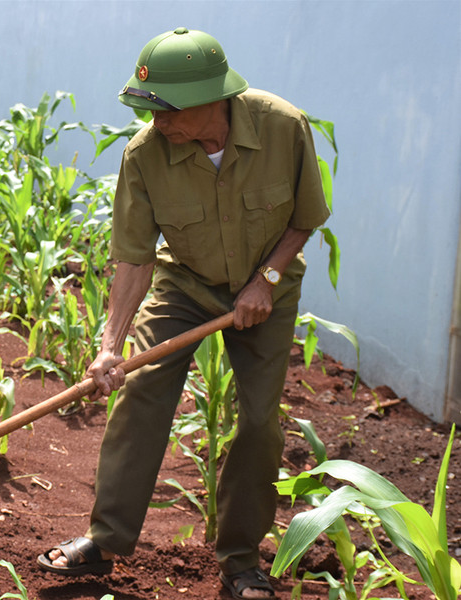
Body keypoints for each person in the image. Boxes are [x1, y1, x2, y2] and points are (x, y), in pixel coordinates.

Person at [36, 27, 330, 600]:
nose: (156, 122)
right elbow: (133, 258)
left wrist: (265, 281)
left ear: (207, 99)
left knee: (258, 423)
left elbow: (306, 216)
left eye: (164, 110)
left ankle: (242, 562)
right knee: (140, 389)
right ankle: (106, 541)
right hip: (185, 283)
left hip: (265, 287)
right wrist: (108, 346)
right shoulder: (146, 154)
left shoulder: (282, 126)